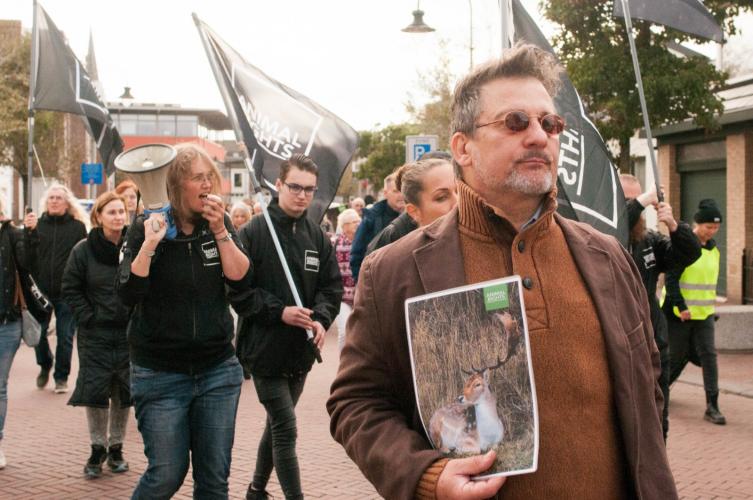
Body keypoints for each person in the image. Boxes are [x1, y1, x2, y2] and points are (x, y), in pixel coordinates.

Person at [327, 44, 676, 500]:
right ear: (463, 147)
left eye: (550, 124)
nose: (539, 136)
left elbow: (647, 381)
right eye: (515, 122)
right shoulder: (395, 270)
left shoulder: (606, 256)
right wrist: (427, 477)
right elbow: (356, 404)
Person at [117, 143, 250, 499]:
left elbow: (240, 278)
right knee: (165, 474)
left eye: (210, 177)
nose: (206, 184)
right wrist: (149, 245)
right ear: (175, 185)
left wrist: (221, 231)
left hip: (217, 371)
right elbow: (128, 292)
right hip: (160, 374)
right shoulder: (146, 226)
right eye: (197, 178)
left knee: (213, 481)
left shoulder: (216, 225)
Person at [234, 154, 342, 500]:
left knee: (277, 425)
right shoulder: (252, 232)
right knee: (286, 427)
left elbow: (331, 287)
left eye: (309, 189)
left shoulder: (317, 235)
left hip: (301, 353)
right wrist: (279, 312)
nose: (302, 195)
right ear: (278, 185)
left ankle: (256, 489)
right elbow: (238, 292)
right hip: (263, 351)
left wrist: (323, 319)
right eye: (295, 187)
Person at [619, 174, 701, 440]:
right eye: (628, 200)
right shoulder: (604, 238)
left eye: (638, 198)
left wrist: (676, 227)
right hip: (620, 346)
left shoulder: (650, 240)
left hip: (655, 342)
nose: (637, 207)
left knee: (657, 418)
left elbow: (689, 254)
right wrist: (643, 201)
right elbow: (619, 221)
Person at [61, 191, 133, 478]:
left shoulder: (134, 246)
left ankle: (116, 448)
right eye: (111, 212)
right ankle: (97, 447)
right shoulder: (83, 249)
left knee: (123, 391)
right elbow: (71, 287)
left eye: (120, 212)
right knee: (95, 392)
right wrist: (88, 316)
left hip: (128, 333)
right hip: (95, 333)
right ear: (99, 216)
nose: (117, 217)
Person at [664, 199, 726, 425]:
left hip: (704, 315)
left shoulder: (714, 250)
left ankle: (713, 406)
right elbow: (671, 279)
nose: (712, 231)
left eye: (716, 227)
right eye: (708, 226)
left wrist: (712, 305)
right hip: (679, 313)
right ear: (697, 224)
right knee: (675, 356)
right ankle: (657, 392)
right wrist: (680, 307)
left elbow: (707, 283)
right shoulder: (685, 246)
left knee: (709, 357)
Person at [27, 183, 87, 394]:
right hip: (40, 291)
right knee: (38, 334)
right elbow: (28, 255)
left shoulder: (77, 227)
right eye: (51, 197)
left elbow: (83, 259)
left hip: (67, 290)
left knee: (65, 335)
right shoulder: (37, 225)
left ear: (66, 203)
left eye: (58, 198)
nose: (54, 201)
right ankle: (45, 363)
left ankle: (61, 377)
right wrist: (29, 232)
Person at [0, 201, 37, 469]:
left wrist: (30, 235)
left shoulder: (13, 234)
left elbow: (28, 265)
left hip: (6, 322)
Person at [365, 157, 458, 256]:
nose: (457, 202)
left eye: (460, 191)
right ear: (414, 212)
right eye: (441, 197)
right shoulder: (393, 248)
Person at [349, 172, 404, 282]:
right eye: (396, 191)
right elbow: (357, 254)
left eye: (402, 190)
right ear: (385, 193)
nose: (401, 195)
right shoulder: (371, 218)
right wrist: (362, 284)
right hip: (378, 283)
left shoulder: (415, 215)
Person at [334, 208, 361, 352]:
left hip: (360, 296)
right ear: (344, 226)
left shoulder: (365, 241)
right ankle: (343, 367)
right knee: (344, 331)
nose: (358, 224)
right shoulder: (335, 243)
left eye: (358, 221)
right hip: (341, 297)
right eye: (354, 222)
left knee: (358, 334)